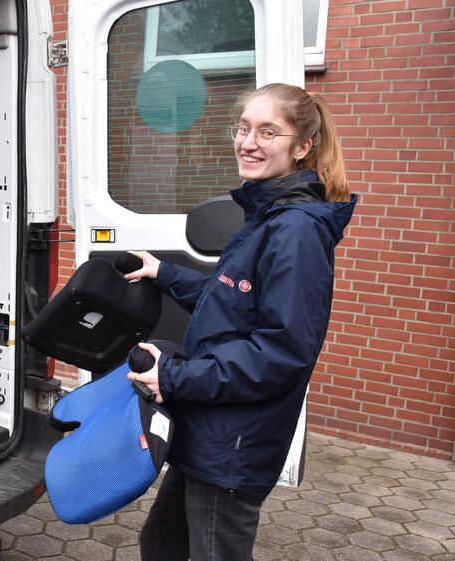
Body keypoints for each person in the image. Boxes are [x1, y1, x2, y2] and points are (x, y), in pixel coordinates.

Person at [124, 83, 357, 561]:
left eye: (268, 132)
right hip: (209, 424)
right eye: (244, 128)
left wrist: (174, 376)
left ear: (302, 147)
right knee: (161, 543)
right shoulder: (266, 216)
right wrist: (164, 272)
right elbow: (231, 299)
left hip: (234, 442)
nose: (248, 142)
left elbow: (282, 351)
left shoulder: (296, 230)